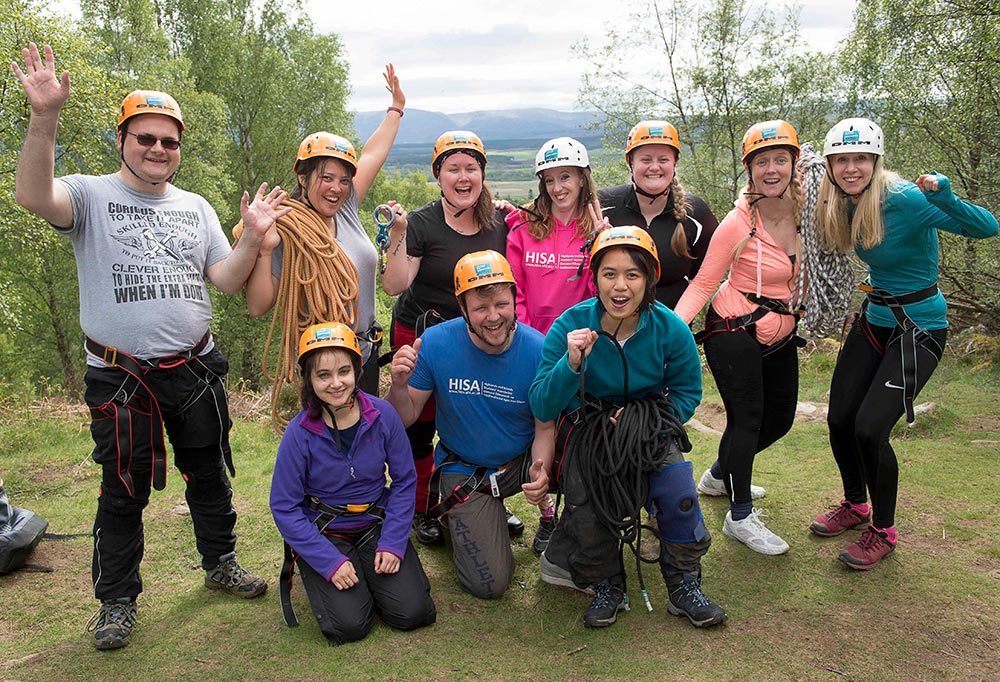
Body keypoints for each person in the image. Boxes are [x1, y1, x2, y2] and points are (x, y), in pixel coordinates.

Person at [12, 43, 276, 650]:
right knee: (122, 488)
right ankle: (116, 603)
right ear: (123, 141)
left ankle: (220, 563)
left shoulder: (197, 207)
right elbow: (33, 194)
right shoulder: (87, 195)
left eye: (169, 141)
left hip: (196, 369)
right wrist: (45, 115)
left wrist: (255, 240)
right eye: (145, 138)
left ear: (179, 148)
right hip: (120, 376)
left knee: (209, 473)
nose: (158, 149)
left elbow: (228, 279)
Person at [810, 117, 998, 569]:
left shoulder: (907, 200)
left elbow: (987, 227)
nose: (851, 167)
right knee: (839, 419)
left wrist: (946, 198)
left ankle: (884, 530)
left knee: (870, 428)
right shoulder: (839, 203)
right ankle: (856, 506)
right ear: (831, 165)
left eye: (860, 159)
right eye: (842, 160)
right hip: (875, 320)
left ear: (875, 161)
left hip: (919, 328)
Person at [530, 226, 727, 629]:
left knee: (679, 493)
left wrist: (652, 422)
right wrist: (571, 364)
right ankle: (606, 582)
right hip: (591, 431)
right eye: (609, 274)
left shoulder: (669, 327)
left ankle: (683, 582)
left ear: (649, 279)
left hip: (651, 426)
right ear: (595, 277)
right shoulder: (571, 325)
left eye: (632, 275)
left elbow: (688, 390)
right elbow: (542, 403)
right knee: (586, 499)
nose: (620, 286)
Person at [380, 131, 521, 547]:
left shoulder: (498, 221)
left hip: (478, 334)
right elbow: (395, 284)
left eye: (471, 168)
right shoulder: (421, 223)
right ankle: (421, 506)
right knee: (420, 427)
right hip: (423, 333)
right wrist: (399, 233)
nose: (463, 178)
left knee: (480, 418)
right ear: (438, 175)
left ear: (482, 174)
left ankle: (486, 497)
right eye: (453, 168)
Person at [387, 251, 553, 599]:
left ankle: (573, 539)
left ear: (513, 299)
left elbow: (544, 426)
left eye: (502, 304)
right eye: (481, 308)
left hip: (520, 461)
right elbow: (405, 416)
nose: (493, 317)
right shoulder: (435, 344)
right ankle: (462, 516)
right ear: (462, 308)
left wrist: (542, 470)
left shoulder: (539, 350)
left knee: (584, 447)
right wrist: (399, 385)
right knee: (488, 585)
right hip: (465, 470)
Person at [675, 120, 806, 556]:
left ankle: (718, 474)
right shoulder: (738, 222)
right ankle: (740, 515)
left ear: (794, 164)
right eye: (761, 161)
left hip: (782, 332)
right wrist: (670, 334)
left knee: (780, 419)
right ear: (749, 169)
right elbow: (703, 282)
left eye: (780, 160)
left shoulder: (811, 217)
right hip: (733, 328)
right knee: (747, 420)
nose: (771, 169)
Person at [244, 65, 405, 406]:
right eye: (325, 178)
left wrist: (396, 109)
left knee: (365, 448)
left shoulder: (344, 207)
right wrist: (262, 250)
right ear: (302, 177)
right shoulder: (286, 227)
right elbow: (258, 305)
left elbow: (372, 155)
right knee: (326, 452)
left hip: (364, 352)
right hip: (323, 364)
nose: (336, 188)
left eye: (344, 180)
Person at [270, 322, 436, 644]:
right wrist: (328, 562)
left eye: (344, 371)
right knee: (350, 626)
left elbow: (404, 481)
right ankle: (340, 575)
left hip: (375, 521)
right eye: (323, 375)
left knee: (412, 613)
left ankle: (373, 576)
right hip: (326, 528)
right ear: (309, 379)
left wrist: (392, 542)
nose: (335, 383)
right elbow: (285, 506)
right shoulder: (299, 433)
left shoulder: (384, 416)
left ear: (357, 370)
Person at [504, 136, 600, 554]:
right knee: (535, 429)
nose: (558, 187)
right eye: (550, 179)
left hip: (582, 348)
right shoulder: (523, 230)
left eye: (566, 177)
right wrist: (532, 342)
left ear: (582, 178)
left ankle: (582, 509)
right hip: (532, 345)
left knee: (576, 433)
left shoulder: (596, 229)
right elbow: (514, 288)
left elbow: (602, 296)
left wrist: (600, 243)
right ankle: (545, 513)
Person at [598, 120, 719, 309]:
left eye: (663, 160)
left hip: (672, 326)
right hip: (613, 327)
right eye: (646, 160)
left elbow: (703, 279)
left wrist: (675, 324)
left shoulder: (696, 214)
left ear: (674, 163)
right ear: (630, 162)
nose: (654, 167)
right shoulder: (605, 205)